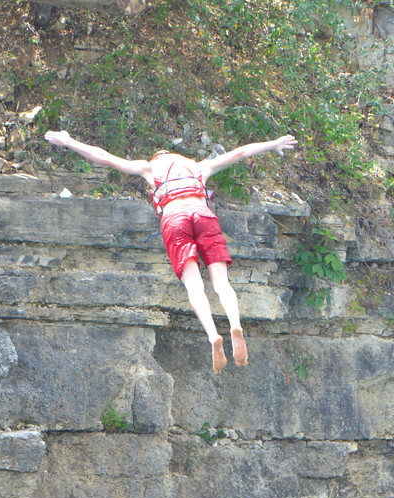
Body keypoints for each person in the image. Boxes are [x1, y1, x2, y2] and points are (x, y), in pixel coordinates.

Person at [44, 130, 297, 373]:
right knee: (221, 282)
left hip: (175, 219)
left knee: (194, 287)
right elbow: (240, 153)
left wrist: (69, 142)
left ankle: (212, 336)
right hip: (203, 214)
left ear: (157, 158)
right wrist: (273, 143)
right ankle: (235, 326)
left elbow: (105, 157)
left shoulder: (150, 168)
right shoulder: (199, 168)